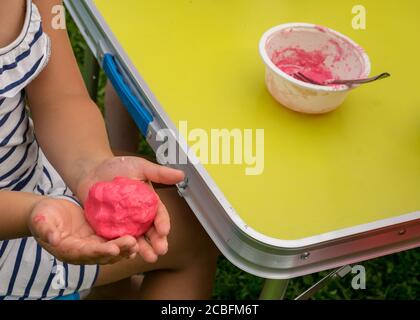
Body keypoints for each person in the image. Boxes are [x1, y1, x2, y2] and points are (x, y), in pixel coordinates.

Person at [0, 0, 218, 300]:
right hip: (9, 237)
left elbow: (61, 97)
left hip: (33, 175)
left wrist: (89, 166)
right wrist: (31, 213)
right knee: (196, 236)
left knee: (150, 222)